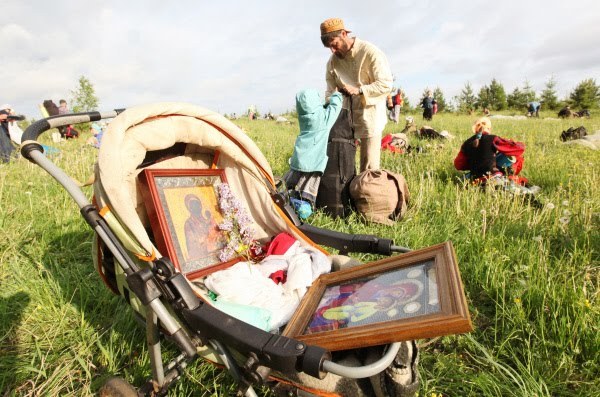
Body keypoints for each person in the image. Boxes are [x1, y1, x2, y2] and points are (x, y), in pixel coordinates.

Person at [320, 17, 393, 172]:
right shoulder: (332, 62)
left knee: (369, 168)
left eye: (335, 45)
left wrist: (360, 90)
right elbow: (329, 91)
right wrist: (330, 102)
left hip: (369, 116)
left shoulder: (370, 52)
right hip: (344, 120)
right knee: (342, 165)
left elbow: (386, 83)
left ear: (344, 34)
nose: (333, 51)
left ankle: (366, 195)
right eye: (329, 48)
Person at [283, 88, 343, 218]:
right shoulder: (323, 120)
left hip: (298, 158)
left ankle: (286, 202)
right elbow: (335, 107)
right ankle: (303, 212)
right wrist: (336, 94)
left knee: (292, 186)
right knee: (307, 189)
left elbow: (317, 110)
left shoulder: (303, 116)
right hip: (312, 162)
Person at [454, 117, 528, 185]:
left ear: (474, 129)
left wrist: (475, 162)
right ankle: (510, 176)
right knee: (515, 156)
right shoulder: (493, 138)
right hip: (492, 175)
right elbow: (518, 149)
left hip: (475, 177)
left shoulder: (466, 143)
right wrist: (512, 142)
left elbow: (458, 165)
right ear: (489, 128)